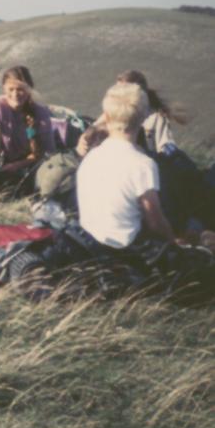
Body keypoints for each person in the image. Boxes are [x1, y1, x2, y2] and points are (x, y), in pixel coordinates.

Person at [75, 83, 214, 294]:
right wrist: (176, 246)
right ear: (142, 119)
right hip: (129, 251)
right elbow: (156, 223)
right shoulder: (142, 164)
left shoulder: (93, 156)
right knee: (204, 243)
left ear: (107, 116)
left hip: (93, 241)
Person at [0, 66, 56, 192]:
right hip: (3, 162)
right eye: (11, 89)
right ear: (4, 89)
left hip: (31, 163)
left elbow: (47, 152)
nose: (15, 94)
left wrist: (17, 165)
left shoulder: (40, 114)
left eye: (20, 89)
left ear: (29, 90)